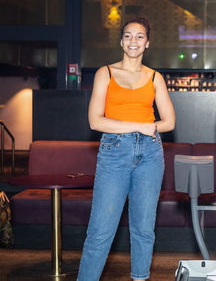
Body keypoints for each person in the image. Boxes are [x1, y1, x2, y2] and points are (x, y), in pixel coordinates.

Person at [77, 17, 175, 281]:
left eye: (140, 36)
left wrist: (148, 128)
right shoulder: (105, 73)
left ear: (147, 43)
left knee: (144, 230)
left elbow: (170, 121)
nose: (134, 41)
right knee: (101, 230)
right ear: (121, 42)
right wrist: (140, 125)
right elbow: (95, 121)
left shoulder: (155, 77)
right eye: (129, 36)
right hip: (114, 152)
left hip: (150, 154)